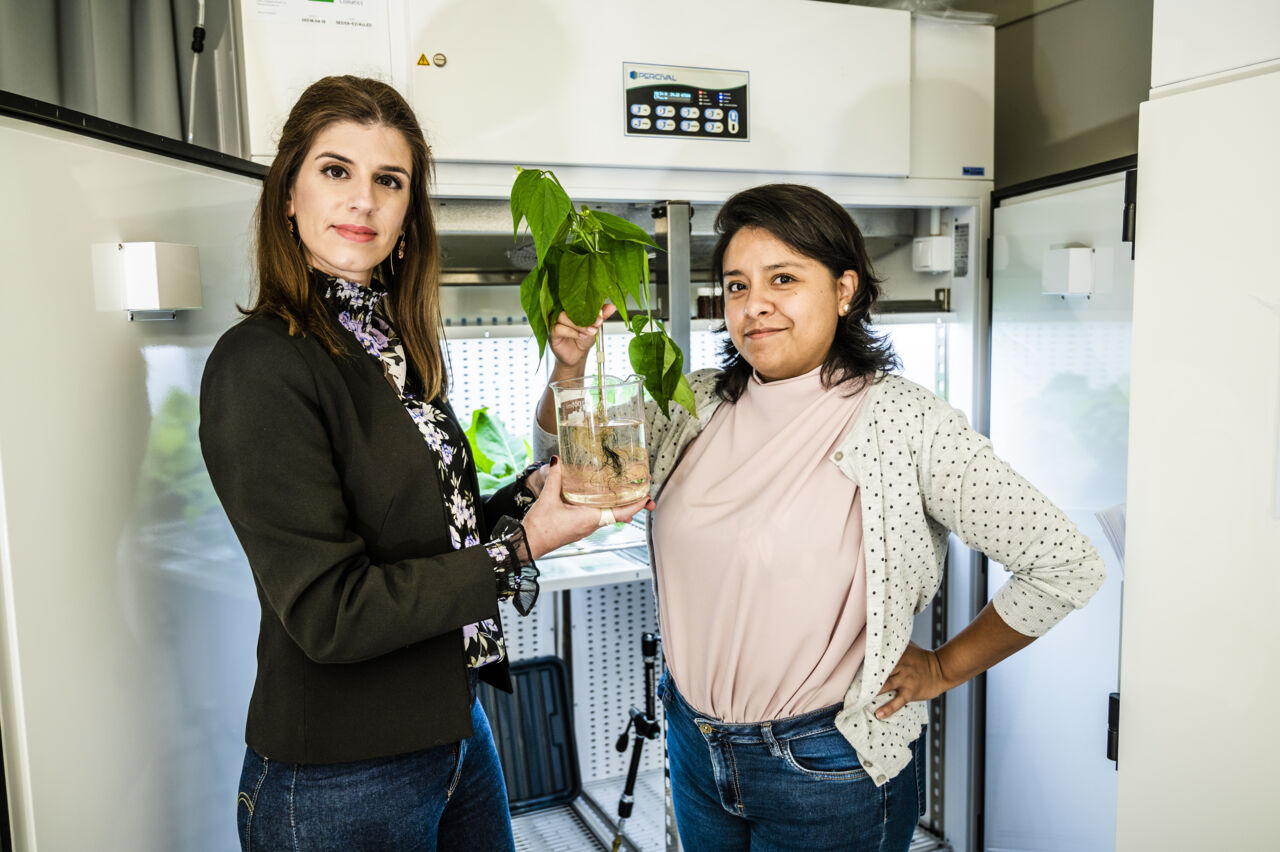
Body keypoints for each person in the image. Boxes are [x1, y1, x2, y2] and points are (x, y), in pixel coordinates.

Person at [535, 183, 1105, 851]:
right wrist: (569, 370)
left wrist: (945, 667)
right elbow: (570, 471)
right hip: (695, 743)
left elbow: (1066, 564)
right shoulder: (696, 401)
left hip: (827, 766)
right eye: (738, 286)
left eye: (783, 279)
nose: (755, 304)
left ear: (844, 290)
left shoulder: (905, 421)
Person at [200, 75, 651, 852]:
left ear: (409, 214)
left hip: (455, 731)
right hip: (340, 776)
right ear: (288, 196)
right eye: (336, 170)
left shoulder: (392, 347)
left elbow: (436, 534)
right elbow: (331, 613)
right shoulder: (261, 364)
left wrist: (534, 483)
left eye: (390, 180)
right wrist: (525, 545)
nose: (363, 199)